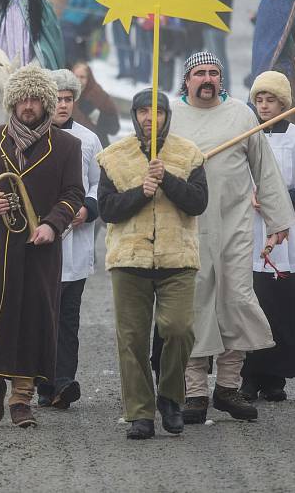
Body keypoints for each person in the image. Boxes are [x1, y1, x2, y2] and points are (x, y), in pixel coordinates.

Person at [168, 52, 295, 425]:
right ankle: (194, 393)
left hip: (236, 224)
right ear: (187, 79)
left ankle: (226, 387)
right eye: (199, 73)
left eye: (213, 73)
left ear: (221, 79)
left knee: (236, 298)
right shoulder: (171, 117)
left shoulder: (242, 115)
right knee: (196, 301)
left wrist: (277, 219)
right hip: (188, 226)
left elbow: (265, 170)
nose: (207, 78)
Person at [0, 65, 84, 428]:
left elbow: (73, 193)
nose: (28, 105)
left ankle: (21, 398)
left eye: (35, 99)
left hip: (38, 249)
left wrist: (52, 224)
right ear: (12, 102)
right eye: (22, 99)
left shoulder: (67, 146)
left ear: (45, 103)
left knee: (30, 320)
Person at [97, 88, 208, 440]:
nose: (150, 117)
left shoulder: (189, 154)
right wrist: (141, 192)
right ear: (134, 116)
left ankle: (172, 398)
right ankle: (140, 413)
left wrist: (168, 180)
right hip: (130, 260)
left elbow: (198, 203)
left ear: (167, 116)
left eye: (157, 111)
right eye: (143, 111)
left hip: (178, 258)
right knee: (131, 338)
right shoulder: (113, 157)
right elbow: (107, 209)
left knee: (179, 329)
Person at [240, 72, 295, 401]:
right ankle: (249, 375)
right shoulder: (245, 137)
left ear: (284, 103)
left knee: (283, 306)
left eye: (271, 100)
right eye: (259, 100)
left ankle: (276, 376)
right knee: (252, 305)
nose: (264, 106)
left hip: (288, 239)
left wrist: (287, 197)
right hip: (250, 232)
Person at [36, 69, 102, 410]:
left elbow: (97, 184)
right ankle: (41, 383)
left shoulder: (89, 140)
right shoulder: (32, 136)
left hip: (75, 243)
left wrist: (87, 209)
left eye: (68, 99)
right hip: (41, 241)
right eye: (57, 99)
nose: (62, 105)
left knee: (67, 319)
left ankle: (63, 382)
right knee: (39, 317)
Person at [71, 62, 120, 147]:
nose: (78, 80)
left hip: (97, 145)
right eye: (75, 76)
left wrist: (95, 114)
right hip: (73, 144)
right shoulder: (66, 96)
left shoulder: (99, 95)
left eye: (82, 77)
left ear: (89, 79)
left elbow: (114, 128)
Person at [60, 0, 106, 64]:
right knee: (61, 28)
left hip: (85, 22)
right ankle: (64, 56)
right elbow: (71, 3)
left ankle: (71, 58)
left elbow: (92, 10)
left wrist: (75, 13)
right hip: (71, 18)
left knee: (68, 33)